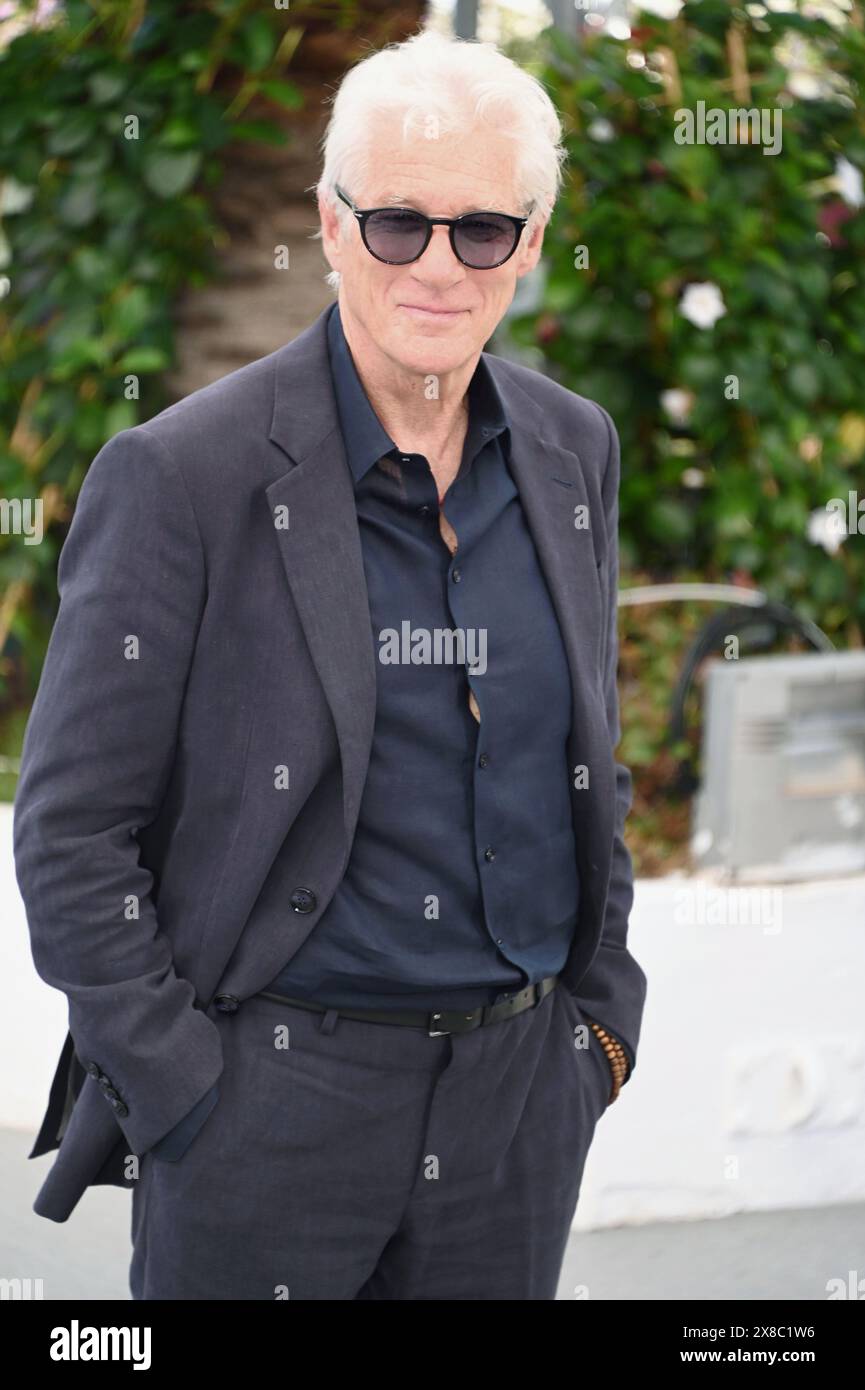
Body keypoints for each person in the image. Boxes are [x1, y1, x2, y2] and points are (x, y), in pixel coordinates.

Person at [14, 27, 647, 1300]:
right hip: (268, 1111)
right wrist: (187, 1089)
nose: (437, 265)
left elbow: (590, 756)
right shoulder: (182, 476)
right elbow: (73, 830)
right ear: (330, 222)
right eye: (398, 224)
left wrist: (599, 1031)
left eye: (482, 231)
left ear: (528, 244)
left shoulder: (573, 451)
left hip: (518, 1109)